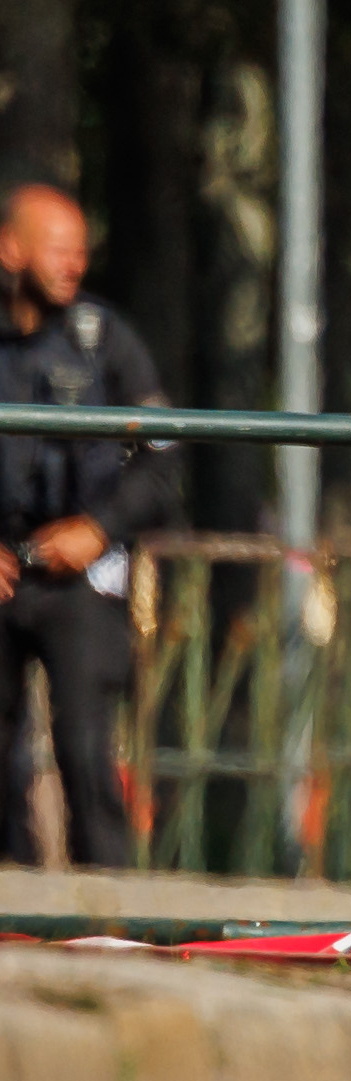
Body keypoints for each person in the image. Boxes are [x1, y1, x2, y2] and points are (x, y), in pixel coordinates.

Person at [0, 185, 164, 868]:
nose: (73, 265)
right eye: (57, 250)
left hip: (82, 576)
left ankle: (111, 921)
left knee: (89, 751)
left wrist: (99, 528)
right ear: (11, 250)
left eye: (80, 252)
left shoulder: (107, 340)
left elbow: (162, 463)